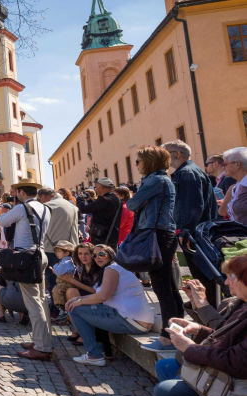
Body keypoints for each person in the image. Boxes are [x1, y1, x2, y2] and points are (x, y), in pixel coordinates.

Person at [154, 255, 247, 396]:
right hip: (229, 382)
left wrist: (189, 348)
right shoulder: (242, 304)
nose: (226, 282)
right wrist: (199, 330)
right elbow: (225, 334)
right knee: (165, 390)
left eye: (232, 276)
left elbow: (236, 361)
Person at [125, 145, 179, 353]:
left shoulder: (155, 180)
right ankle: (175, 333)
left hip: (157, 234)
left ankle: (167, 337)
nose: (136, 164)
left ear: (148, 161)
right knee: (169, 288)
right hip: (162, 233)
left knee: (163, 289)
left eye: (138, 161)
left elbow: (132, 204)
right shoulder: (159, 180)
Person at [65, 245, 154, 366]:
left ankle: (94, 355)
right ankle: (97, 348)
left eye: (101, 254)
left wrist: (79, 302)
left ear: (111, 255)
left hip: (130, 320)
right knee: (76, 306)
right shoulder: (112, 268)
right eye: (95, 255)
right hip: (135, 320)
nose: (97, 258)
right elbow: (99, 294)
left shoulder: (112, 269)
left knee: (75, 310)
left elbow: (103, 296)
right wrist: (79, 298)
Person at [0, 181, 53, 361]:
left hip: (27, 257)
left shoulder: (23, 208)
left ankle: (42, 347)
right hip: (41, 254)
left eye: (16, 192)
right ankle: (42, 340)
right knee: (42, 299)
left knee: (33, 303)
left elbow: (2, 220)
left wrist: (15, 205)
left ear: (21, 192)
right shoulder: (45, 208)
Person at [165, 140, 220, 298]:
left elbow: (192, 206)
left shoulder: (188, 173)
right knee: (202, 278)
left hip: (197, 235)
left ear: (177, 154)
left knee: (204, 278)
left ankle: (211, 312)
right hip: (197, 232)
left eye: (166, 154)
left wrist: (186, 231)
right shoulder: (187, 171)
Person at [38, 186, 80, 318]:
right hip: (70, 247)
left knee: (53, 281)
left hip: (54, 248)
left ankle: (58, 310)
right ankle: (68, 309)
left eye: (40, 199)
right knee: (67, 280)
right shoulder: (70, 205)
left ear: (44, 196)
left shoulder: (49, 206)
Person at [54, 242, 104, 332]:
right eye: (80, 254)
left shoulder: (97, 268)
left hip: (98, 297)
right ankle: (78, 328)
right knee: (61, 290)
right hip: (85, 294)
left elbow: (96, 292)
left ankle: (81, 330)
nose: (83, 257)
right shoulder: (80, 266)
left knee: (71, 292)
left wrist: (72, 280)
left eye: (86, 254)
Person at [79, 178, 122, 249]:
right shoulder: (114, 198)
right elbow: (99, 208)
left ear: (101, 187)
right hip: (112, 235)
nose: (95, 189)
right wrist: (90, 201)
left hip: (101, 236)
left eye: (96, 187)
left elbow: (83, 209)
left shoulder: (103, 200)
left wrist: (80, 199)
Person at [220, 147, 247, 224]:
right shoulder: (237, 186)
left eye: (225, 164)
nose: (223, 167)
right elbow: (222, 212)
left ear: (237, 164)